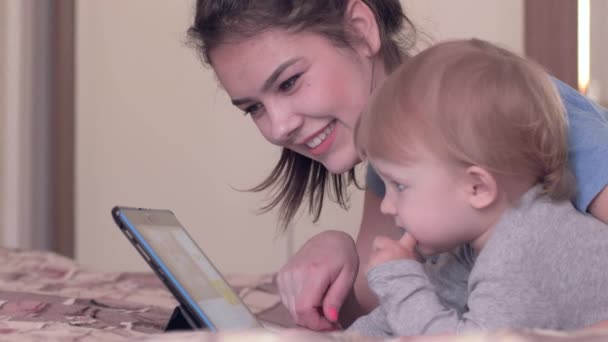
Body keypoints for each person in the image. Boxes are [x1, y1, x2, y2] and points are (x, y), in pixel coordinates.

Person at [186, 0, 608, 331]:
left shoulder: (516, 119)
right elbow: (386, 303)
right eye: (254, 108)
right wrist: (338, 249)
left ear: (359, 29)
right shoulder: (400, 156)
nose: (278, 127)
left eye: (290, 82)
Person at [346, 38, 608, 337]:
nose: (386, 205)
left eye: (400, 186)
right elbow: (425, 306)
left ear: (477, 188)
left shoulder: (523, 250)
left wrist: (399, 279)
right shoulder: (477, 242)